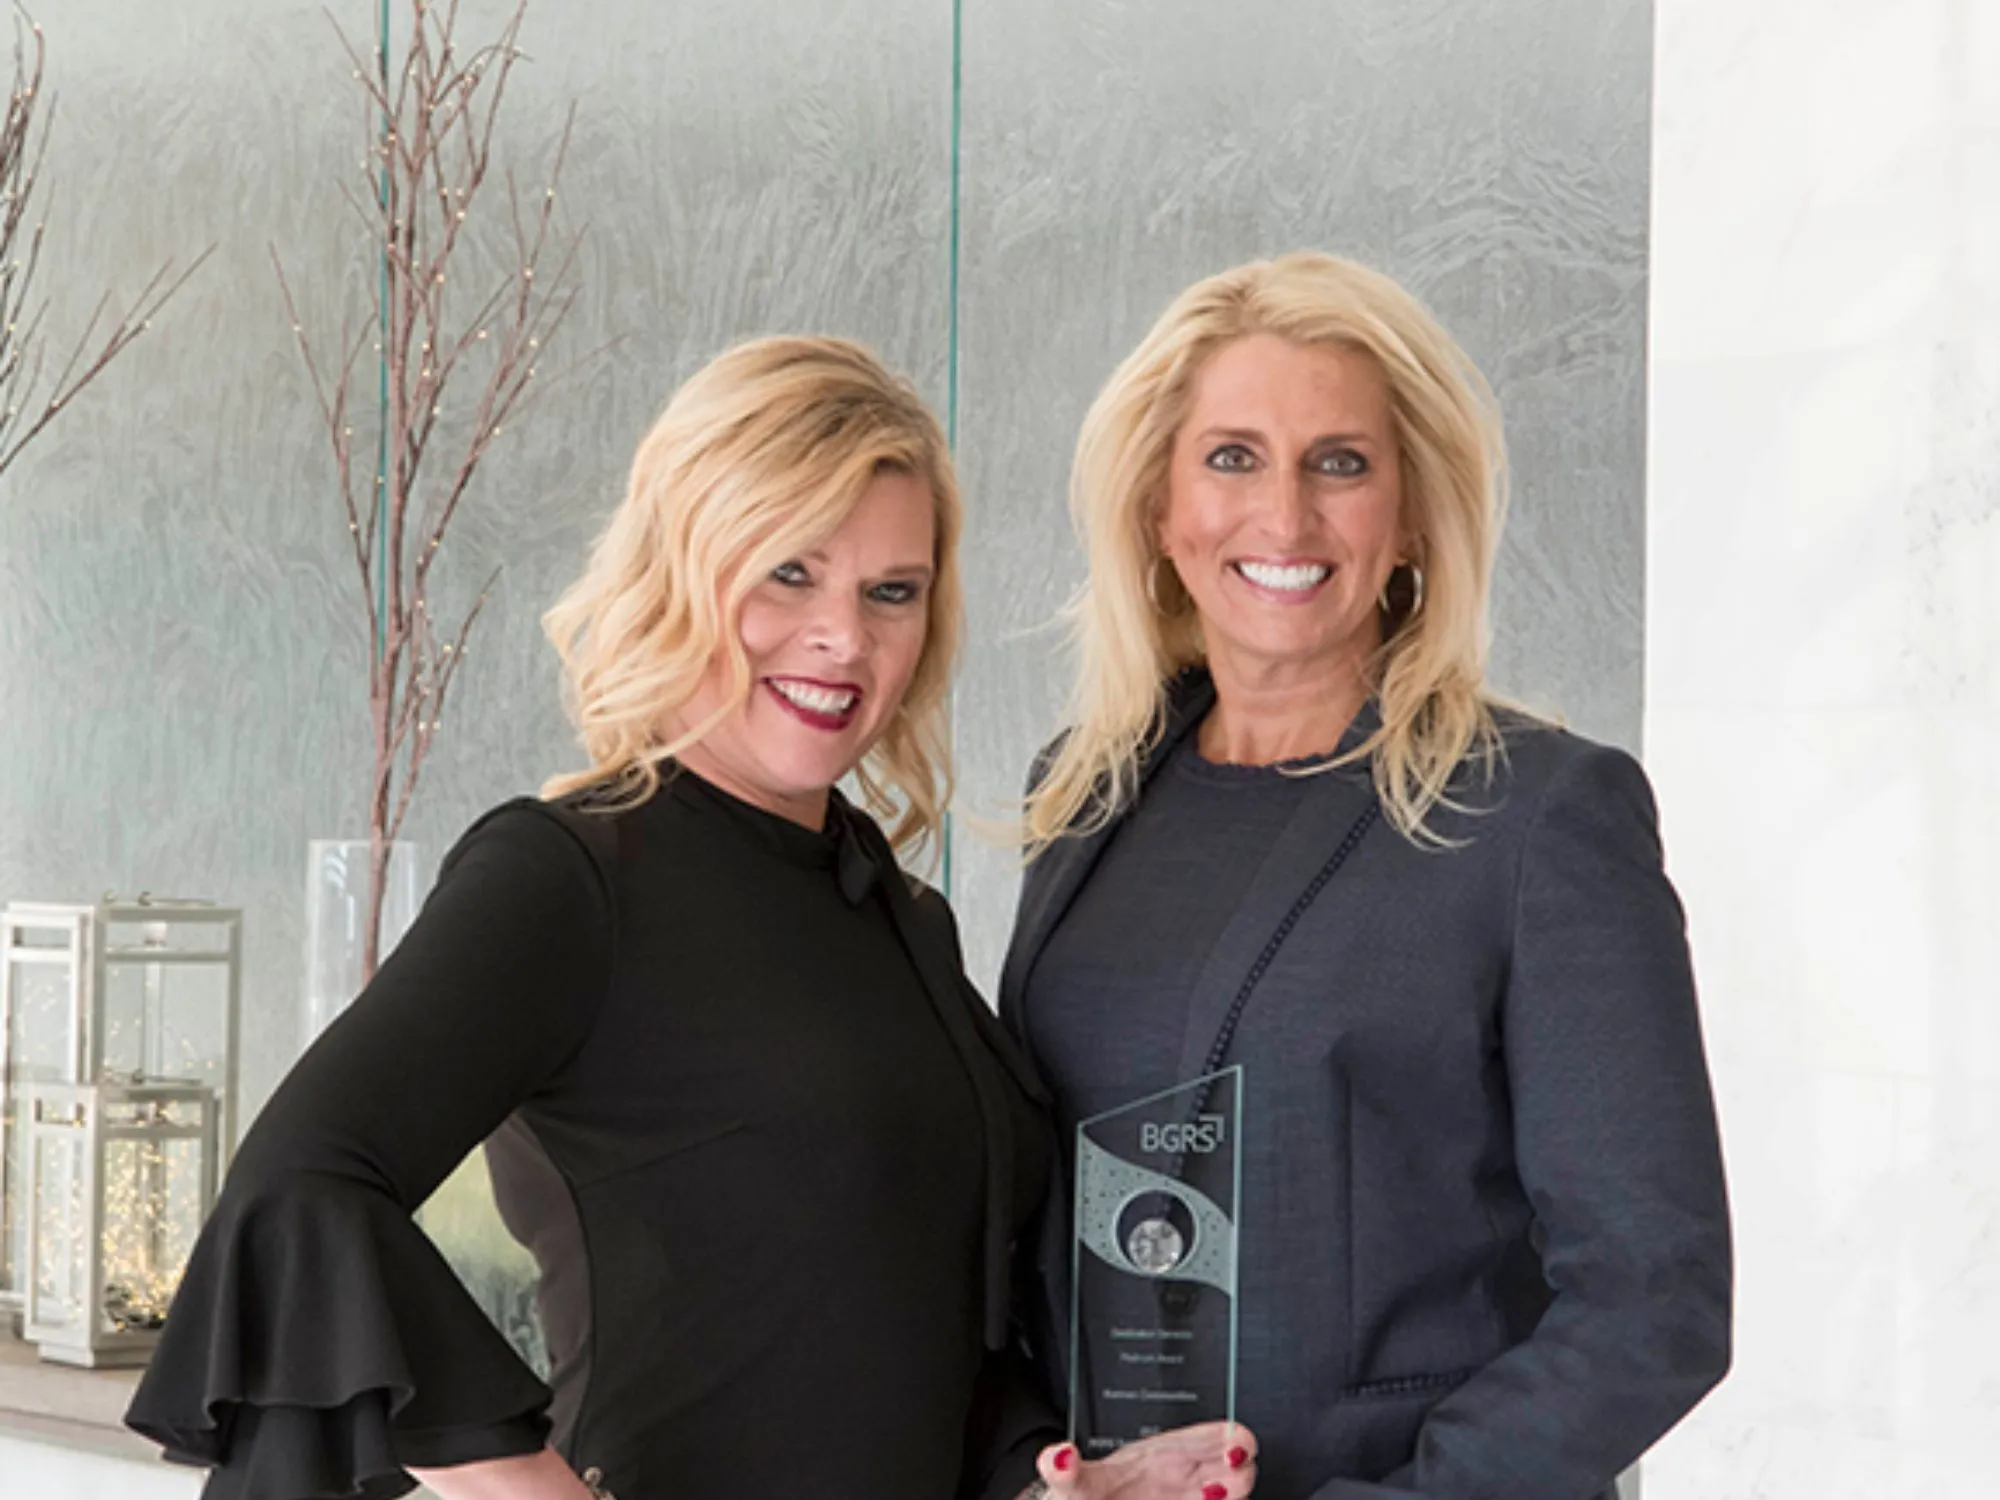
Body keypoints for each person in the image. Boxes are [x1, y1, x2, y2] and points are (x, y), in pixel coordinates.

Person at [125, 336, 1090, 1500]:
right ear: (684, 565)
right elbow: (297, 1191)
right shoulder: (569, 874)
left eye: (891, 591)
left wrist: (1052, 1479)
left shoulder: (900, 915)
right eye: (788, 572)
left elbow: (910, 1329)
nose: (844, 637)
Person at [1001, 252, 1732, 1500]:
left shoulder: (1536, 815)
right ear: (1156, 507)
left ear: (1406, 516)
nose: (1282, 519)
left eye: (1339, 463)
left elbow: (1650, 1297)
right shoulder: (1082, 792)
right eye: (1231, 457)